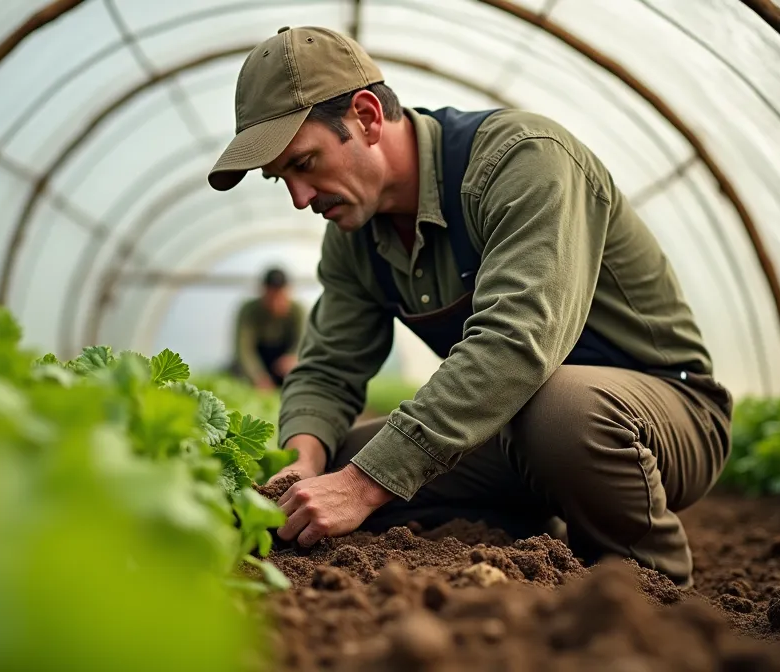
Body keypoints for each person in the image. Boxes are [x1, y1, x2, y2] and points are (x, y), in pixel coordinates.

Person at [205, 26, 733, 587]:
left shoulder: (522, 161)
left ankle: (646, 584)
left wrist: (363, 485)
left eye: (305, 163)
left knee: (559, 412)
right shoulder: (354, 233)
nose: (300, 198)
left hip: (657, 417)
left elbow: (516, 343)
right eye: (281, 177)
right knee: (339, 464)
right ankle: (529, 530)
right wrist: (305, 457)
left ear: (366, 116)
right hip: (513, 431)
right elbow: (329, 365)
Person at [231, 267, 306, 390]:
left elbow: (303, 342)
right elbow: (244, 350)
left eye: (280, 297)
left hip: (283, 367)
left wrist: (292, 357)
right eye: (271, 297)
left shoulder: (298, 311)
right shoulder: (249, 311)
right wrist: (258, 377)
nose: (275, 304)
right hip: (260, 362)